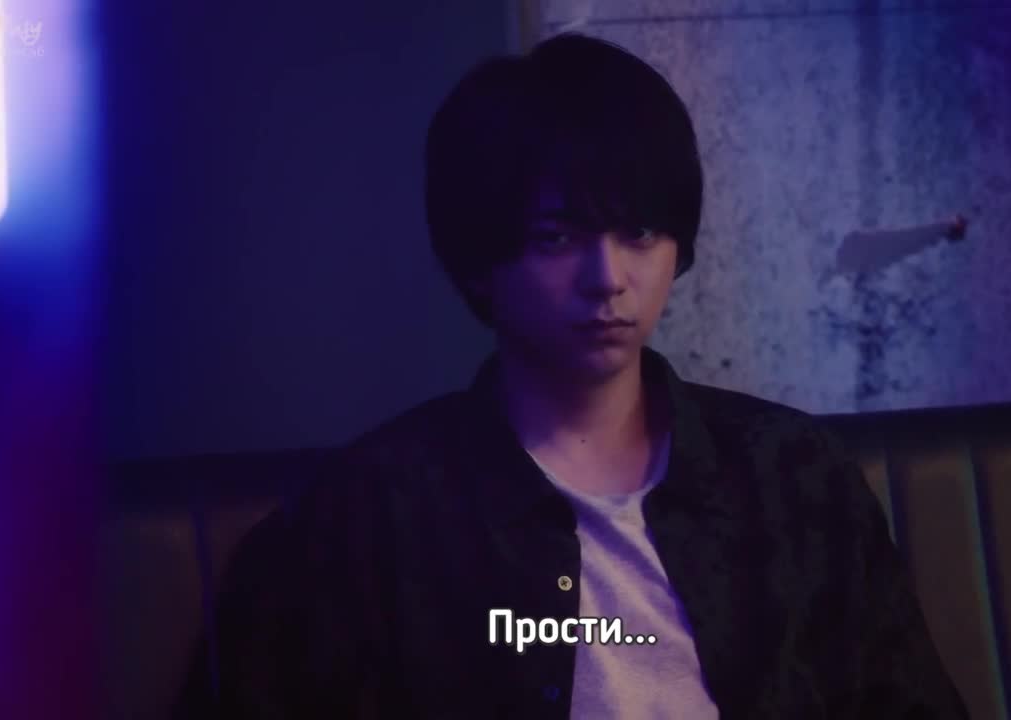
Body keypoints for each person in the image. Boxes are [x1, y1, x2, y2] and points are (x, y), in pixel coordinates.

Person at [175, 32, 968, 719]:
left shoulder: (792, 476)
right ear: (480, 260)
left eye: (640, 232)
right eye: (557, 238)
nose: (608, 278)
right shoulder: (372, 514)